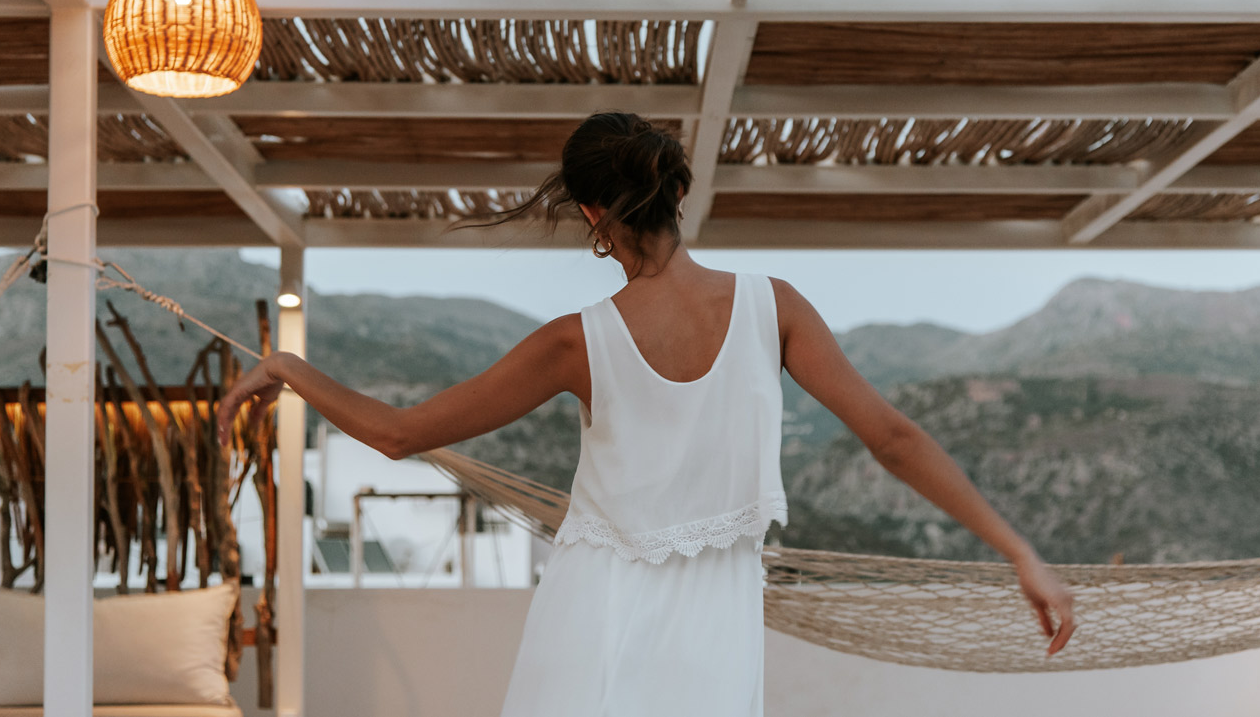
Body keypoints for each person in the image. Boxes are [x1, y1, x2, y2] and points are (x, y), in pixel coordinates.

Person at [216, 111, 1075, 716]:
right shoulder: (773, 306)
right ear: (673, 196)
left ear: (594, 215)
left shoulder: (575, 341)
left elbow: (398, 432)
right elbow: (893, 437)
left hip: (592, 609)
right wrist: (1020, 552)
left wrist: (290, 365)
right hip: (715, 623)